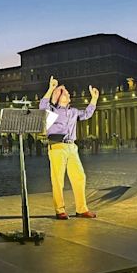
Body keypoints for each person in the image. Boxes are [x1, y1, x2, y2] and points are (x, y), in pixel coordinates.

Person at [39, 75, 99, 220]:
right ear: (58, 97)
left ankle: (81, 209)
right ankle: (60, 210)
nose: (68, 93)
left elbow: (87, 114)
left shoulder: (73, 112)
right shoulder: (52, 111)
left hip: (72, 147)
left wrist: (94, 99)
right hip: (57, 146)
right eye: (65, 92)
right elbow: (42, 105)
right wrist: (51, 88)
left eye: (67, 92)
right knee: (58, 180)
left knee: (79, 177)